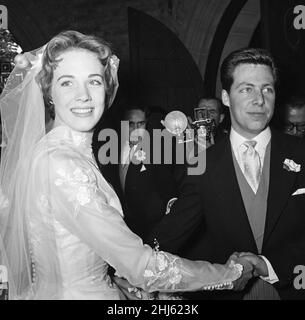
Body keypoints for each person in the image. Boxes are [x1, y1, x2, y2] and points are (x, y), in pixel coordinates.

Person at [0, 30, 249, 300]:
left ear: (107, 89)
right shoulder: (63, 164)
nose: (83, 95)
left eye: (93, 81)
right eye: (67, 83)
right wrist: (230, 275)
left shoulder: (54, 152)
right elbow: (142, 267)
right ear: (49, 92)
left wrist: (114, 282)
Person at [183, 48, 305, 299]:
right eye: (247, 89)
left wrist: (270, 266)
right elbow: (176, 227)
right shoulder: (203, 162)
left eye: (267, 89)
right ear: (226, 98)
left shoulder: (301, 152)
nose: (259, 100)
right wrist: (133, 268)